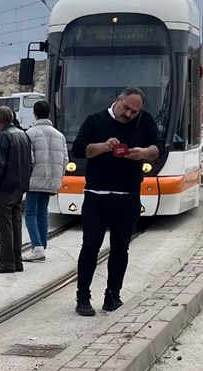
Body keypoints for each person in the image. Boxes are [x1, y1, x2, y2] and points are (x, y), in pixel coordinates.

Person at [70, 87, 165, 316]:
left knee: (120, 248)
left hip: (127, 196)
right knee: (90, 246)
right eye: (127, 108)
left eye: (134, 111)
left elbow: (159, 147)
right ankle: (83, 297)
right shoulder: (95, 121)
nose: (129, 115)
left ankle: (113, 295)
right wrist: (104, 146)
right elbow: (79, 149)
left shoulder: (145, 121)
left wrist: (144, 152)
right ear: (117, 100)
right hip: (96, 195)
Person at [0, 106, 33, 274]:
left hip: (4, 188)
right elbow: (31, 161)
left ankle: (6, 262)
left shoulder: (2, 137)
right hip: (19, 186)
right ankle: (17, 260)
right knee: (15, 223)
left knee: (4, 225)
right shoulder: (23, 135)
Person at [23, 100, 68, 263]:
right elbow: (64, 159)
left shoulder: (30, 134)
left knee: (29, 213)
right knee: (43, 212)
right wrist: (58, 177)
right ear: (49, 113)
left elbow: (30, 160)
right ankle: (42, 244)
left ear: (34, 114)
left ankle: (37, 247)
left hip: (34, 179)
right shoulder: (59, 135)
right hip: (52, 181)